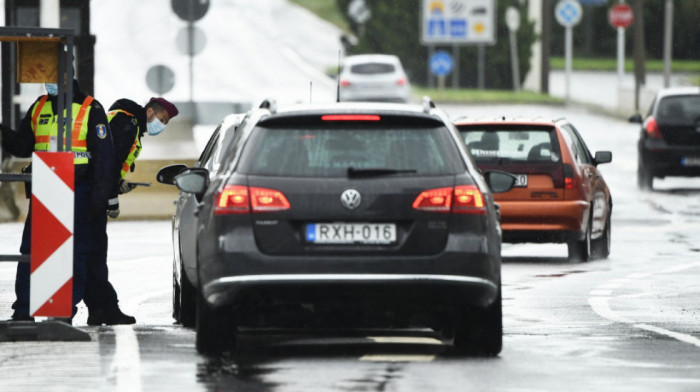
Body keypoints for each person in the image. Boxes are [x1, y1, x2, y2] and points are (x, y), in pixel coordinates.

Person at [1, 77, 114, 322]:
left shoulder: (89, 108)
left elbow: (104, 158)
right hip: (46, 188)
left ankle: (63, 314)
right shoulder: (39, 105)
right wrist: (3, 133)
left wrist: (99, 198)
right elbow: (23, 145)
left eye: (51, 76)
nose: (47, 83)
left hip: (78, 190)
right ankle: (23, 311)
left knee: (74, 253)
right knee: (32, 251)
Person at [82, 97, 178, 325]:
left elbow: (108, 163)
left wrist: (117, 185)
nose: (161, 126)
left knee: (92, 255)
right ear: (151, 113)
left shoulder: (125, 121)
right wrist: (112, 199)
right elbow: (109, 162)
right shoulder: (128, 124)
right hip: (94, 196)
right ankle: (104, 308)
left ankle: (99, 309)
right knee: (94, 255)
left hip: (92, 192)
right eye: (162, 119)